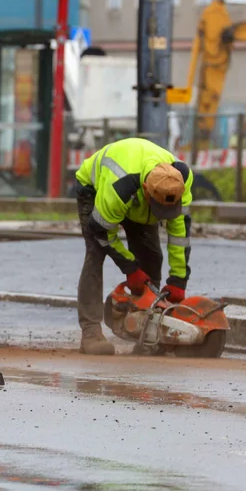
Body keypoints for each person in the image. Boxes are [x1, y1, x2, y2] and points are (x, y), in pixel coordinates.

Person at [74, 137, 194, 355]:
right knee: (95, 253)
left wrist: (178, 279)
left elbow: (180, 234)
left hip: (138, 201)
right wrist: (130, 268)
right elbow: (102, 231)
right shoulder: (118, 188)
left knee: (152, 256)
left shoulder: (179, 182)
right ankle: (90, 331)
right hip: (95, 189)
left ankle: (147, 331)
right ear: (147, 191)